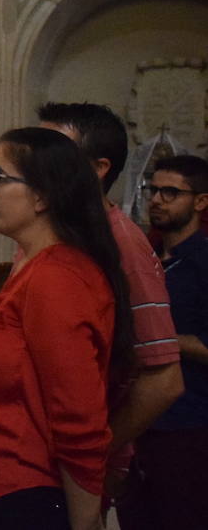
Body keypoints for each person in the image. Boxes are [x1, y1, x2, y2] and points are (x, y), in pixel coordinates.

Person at [0, 102, 182, 509]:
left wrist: (90, 473)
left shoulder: (106, 250)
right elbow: (36, 338)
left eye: (55, 151)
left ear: (93, 170)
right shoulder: (45, 248)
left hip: (42, 481)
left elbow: (160, 380)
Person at [0, 127, 134, 529]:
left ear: (43, 196)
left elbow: (78, 419)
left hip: (29, 496)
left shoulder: (58, 278)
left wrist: (86, 523)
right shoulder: (33, 269)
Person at [118, 155, 208, 530]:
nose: (156, 199)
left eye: (170, 192)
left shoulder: (204, 263)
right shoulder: (145, 257)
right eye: (153, 190)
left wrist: (164, 339)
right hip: (134, 421)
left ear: (201, 202)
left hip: (188, 424)